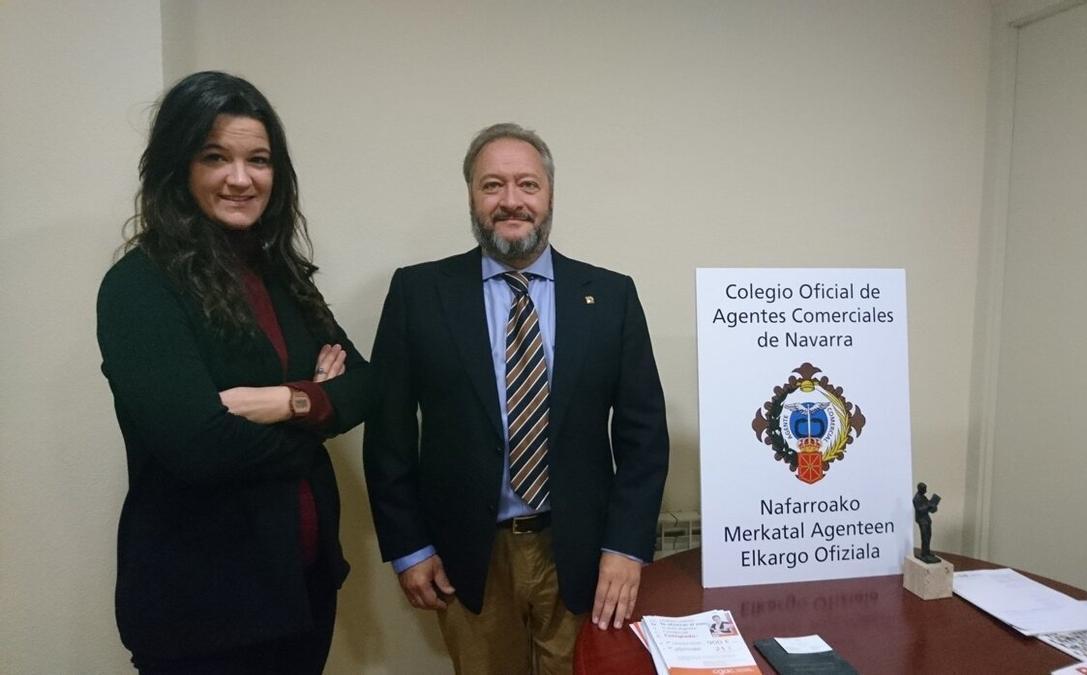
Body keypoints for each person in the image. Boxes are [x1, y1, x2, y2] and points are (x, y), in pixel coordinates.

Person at [365, 122, 669, 673]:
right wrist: (409, 548)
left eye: (527, 185)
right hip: (467, 556)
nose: (511, 201)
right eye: (492, 185)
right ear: (471, 196)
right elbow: (387, 435)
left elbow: (643, 436)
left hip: (580, 553)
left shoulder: (612, 297)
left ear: (549, 195)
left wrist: (626, 549)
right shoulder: (418, 294)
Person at [96, 71, 369, 673]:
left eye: (259, 160)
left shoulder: (283, 277)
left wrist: (288, 402)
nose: (241, 178)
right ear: (179, 167)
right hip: (203, 610)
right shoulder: (140, 287)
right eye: (216, 157)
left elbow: (365, 384)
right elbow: (198, 447)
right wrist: (319, 413)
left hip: (303, 589)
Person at [913, 482, 941, 564]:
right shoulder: (916, 498)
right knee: (924, 537)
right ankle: (924, 554)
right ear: (920, 489)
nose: (926, 491)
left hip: (926, 519)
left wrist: (934, 507)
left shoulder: (923, 497)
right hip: (921, 520)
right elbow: (920, 509)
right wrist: (929, 506)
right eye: (924, 489)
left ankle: (927, 552)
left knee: (929, 536)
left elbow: (929, 507)